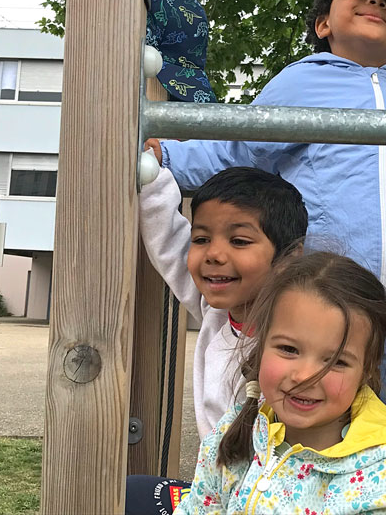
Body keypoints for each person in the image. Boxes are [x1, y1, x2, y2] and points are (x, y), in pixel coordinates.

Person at [145, 0, 386, 418]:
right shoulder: (300, 84)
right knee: (320, 413)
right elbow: (241, 149)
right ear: (323, 25)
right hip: (322, 294)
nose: (378, 0)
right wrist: (166, 158)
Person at [125, 166, 308, 515]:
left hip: (272, 500)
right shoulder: (218, 313)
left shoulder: (302, 343)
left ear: (289, 258)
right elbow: (172, 248)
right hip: (216, 492)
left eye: (238, 241)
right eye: (202, 238)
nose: (213, 254)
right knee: (128, 494)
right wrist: (149, 176)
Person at [173, 251, 386, 514]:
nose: (305, 376)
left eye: (336, 362)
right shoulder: (233, 432)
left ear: (366, 372)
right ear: (260, 346)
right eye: (288, 349)